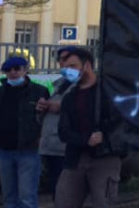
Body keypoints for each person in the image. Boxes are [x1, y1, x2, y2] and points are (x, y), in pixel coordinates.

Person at [55, 47, 125, 208]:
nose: (68, 71)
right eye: (66, 67)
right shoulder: (69, 97)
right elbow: (63, 131)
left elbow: (122, 124)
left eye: (73, 66)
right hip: (75, 159)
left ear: (87, 65)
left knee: (103, 202)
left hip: (105, 157)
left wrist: (104, 137)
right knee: (63, 200)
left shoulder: (109, 92)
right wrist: (85, 140)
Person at [0, 56, 50, 208]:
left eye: (17, 69)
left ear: (25, 70)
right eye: (8, 70)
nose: (13, 72)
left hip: (29, 150)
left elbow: (46, 119)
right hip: (4, 151)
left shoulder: (39, 91)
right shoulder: (0, 92)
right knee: (8, 197)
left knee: (27, 197)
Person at [40, 47, 78, 202]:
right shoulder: (58, 85)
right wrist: (42, 108)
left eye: (68, 59)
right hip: (51, 145)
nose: (64, 63)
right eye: (61, 60)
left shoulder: (85, 85)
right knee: (57, 191)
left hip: (67, 147)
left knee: (67, 192)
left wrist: (62, 107)